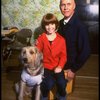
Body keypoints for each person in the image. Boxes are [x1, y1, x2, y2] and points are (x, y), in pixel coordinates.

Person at [35, 13, 67, 100]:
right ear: (44, 26)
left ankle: (61, 95)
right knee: (48, 84)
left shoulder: (61, 40)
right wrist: (35, 46)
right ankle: (44, 96)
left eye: (52, 24)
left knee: (62, 83)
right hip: (45, 67)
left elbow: (63, 56)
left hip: (57, 66)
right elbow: (37, 53)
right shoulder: (41, 38)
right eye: (47, 24)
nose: (50, 27)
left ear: (56, 24)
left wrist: (60, 66)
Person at [58, 0, 91, 81]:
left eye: (69, 4)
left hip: (68, 67)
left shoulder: (81, 27)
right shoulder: (59, 23)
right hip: (58, 63)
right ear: (60, 7)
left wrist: (73, 69)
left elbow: (85, 52)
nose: (65, 8)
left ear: (74, 6)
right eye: (63, 5)